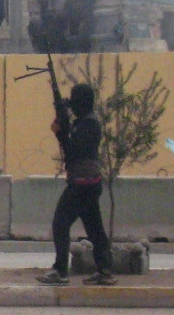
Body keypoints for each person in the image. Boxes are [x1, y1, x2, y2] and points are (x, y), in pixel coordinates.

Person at [37, 83, 117, 286]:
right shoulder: (84, 122)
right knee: (95, 229)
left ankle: (60, 270)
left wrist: (61, 132)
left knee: (61, 224)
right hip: (88, 184)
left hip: (82, 184)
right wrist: (63, 121)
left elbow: (73, 151)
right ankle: (105, 270)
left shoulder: (89, 125)